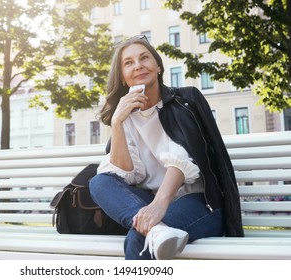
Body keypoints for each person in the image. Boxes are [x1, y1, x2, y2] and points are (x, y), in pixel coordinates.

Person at [89, 35, 244, 260]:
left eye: (144, 58)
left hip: (201, 202)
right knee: (99, 182)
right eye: (128, 63)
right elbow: (127, 175)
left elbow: (183, 158)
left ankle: (153, 228)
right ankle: (157, 230)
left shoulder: (185, 101)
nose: (138, 65)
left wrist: (159, 206)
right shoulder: (126, 118)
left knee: (139, 239)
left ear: (158, 67)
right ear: (123, 77)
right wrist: (117, 123)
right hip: (150, 203)